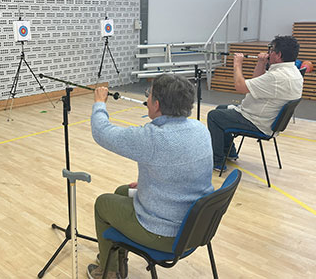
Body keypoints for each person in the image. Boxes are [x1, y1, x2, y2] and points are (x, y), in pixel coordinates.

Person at [87, 74, 214, 279]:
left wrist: (100, 103)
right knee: (121, 191)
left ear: (156, 104)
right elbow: (186, 170)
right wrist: (150, 181)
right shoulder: (200, 128)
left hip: (166, 233)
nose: (147, 100)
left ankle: (108, 270)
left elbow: (102, 132)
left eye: (150, 95)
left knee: (103, 204)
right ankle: (117, 258)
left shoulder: (153, 138)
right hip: (196, 224)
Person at [207, 35, 303, 171]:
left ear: (278, 55)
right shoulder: (293, 71)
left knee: (214, 116)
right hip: (268, 120)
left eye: (271, 50)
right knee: (221, 109)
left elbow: (240, 87)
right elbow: (255, 84)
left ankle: (217, 162)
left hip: (257, 123)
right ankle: (230, 152)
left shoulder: (276, 77)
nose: (269, 53)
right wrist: (261, 63)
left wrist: (237, 64)